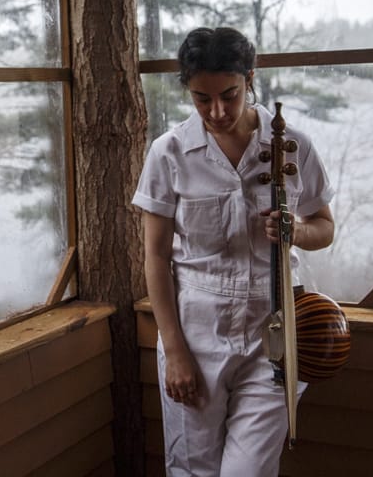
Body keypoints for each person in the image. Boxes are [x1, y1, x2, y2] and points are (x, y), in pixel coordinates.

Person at [132, 27, 335, 477]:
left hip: (275, 328)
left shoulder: (292, 145)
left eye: (230, 95)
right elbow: (156, 258)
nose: (218, 111)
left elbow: (324, 228)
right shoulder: (168, 153)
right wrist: (175, 350)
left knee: (249, 471)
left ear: (250, 79)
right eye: (202, 99)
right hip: (195, 330)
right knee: (193, 469)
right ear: (188, 90)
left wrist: (296, 231)